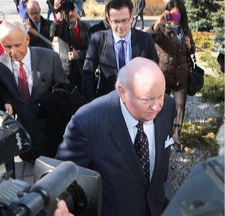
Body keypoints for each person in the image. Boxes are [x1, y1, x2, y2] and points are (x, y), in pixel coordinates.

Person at [56, 57, 176, 216]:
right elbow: (63, 178)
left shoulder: (168, 106)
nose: (157, 107)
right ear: (123, 92)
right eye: (146, 99)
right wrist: (63, 207)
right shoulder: (86, 122)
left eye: (160, 95)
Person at [0, 20, 68, 161]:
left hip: (50, 131)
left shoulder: (50, 57)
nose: (13, 52)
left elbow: (64, 88)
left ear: (27, 39)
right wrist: (7, 101)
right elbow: (2, 88)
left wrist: (49, 99)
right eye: (7, 46)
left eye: (17, 45)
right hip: (24, 134)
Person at [81, 0, 158, 103]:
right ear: (108, 19)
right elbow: (87, 76)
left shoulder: (145, 40)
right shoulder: (98, 40)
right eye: (116, 21)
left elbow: (154, 72)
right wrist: (93, 105)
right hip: (107, 103)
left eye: (124, 20)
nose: (120, 26)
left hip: (137, 103)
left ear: (131, 17)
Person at [147, 0, 195, 152]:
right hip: (164, 76)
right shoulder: (161, 29)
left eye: (177, 14)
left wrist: (189, 46)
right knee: (160, 108)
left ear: (181, 14)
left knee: (179, 109)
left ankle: (176, 139)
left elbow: (191, 51)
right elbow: (148, 37)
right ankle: (159, 137)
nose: (174, 18)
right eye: (171, 14)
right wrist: (158, 22)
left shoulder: (186, 30)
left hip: (182, 76)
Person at [50, 0, 91, 90]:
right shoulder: (61, 27)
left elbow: (92, 49)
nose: (70, 13)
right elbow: (52, 32)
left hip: (84, 67)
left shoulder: (86, 26)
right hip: (67, 69)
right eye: (67, 11)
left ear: (77, 12)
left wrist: (79, 54)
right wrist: (59, 16)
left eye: (72, 10)